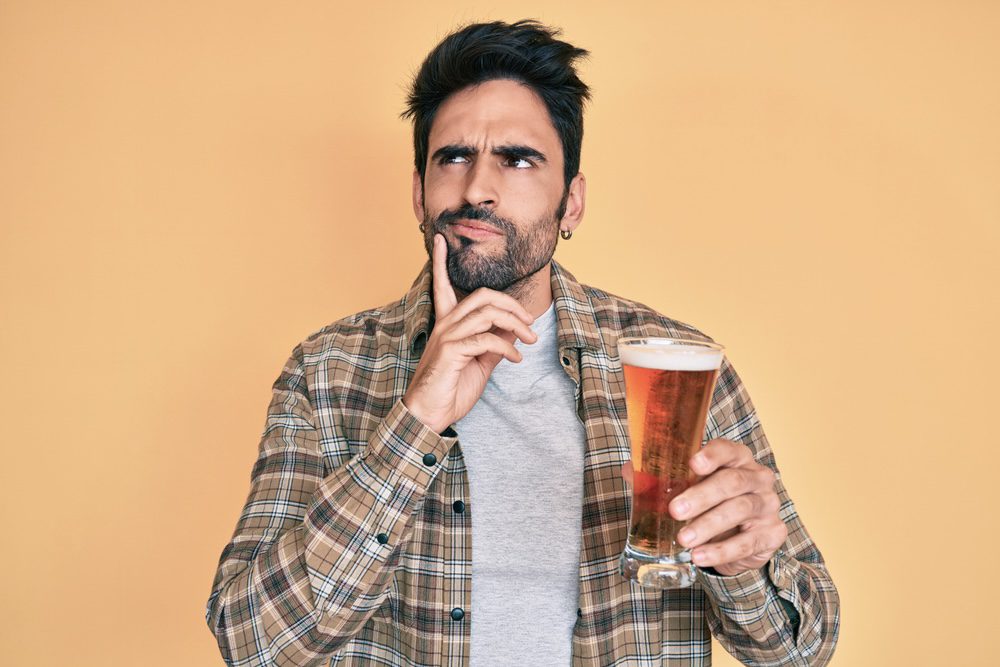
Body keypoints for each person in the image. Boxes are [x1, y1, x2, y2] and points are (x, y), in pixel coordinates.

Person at [205, 19, 840, 666]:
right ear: (419, 194)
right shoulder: (326, 373)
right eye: (453, 156)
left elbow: (802, 650)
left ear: (572, 204)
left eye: (518, 159)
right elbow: (253, 643)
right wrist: (415, 421)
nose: (478, 187)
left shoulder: (677, 369)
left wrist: (745, 566)